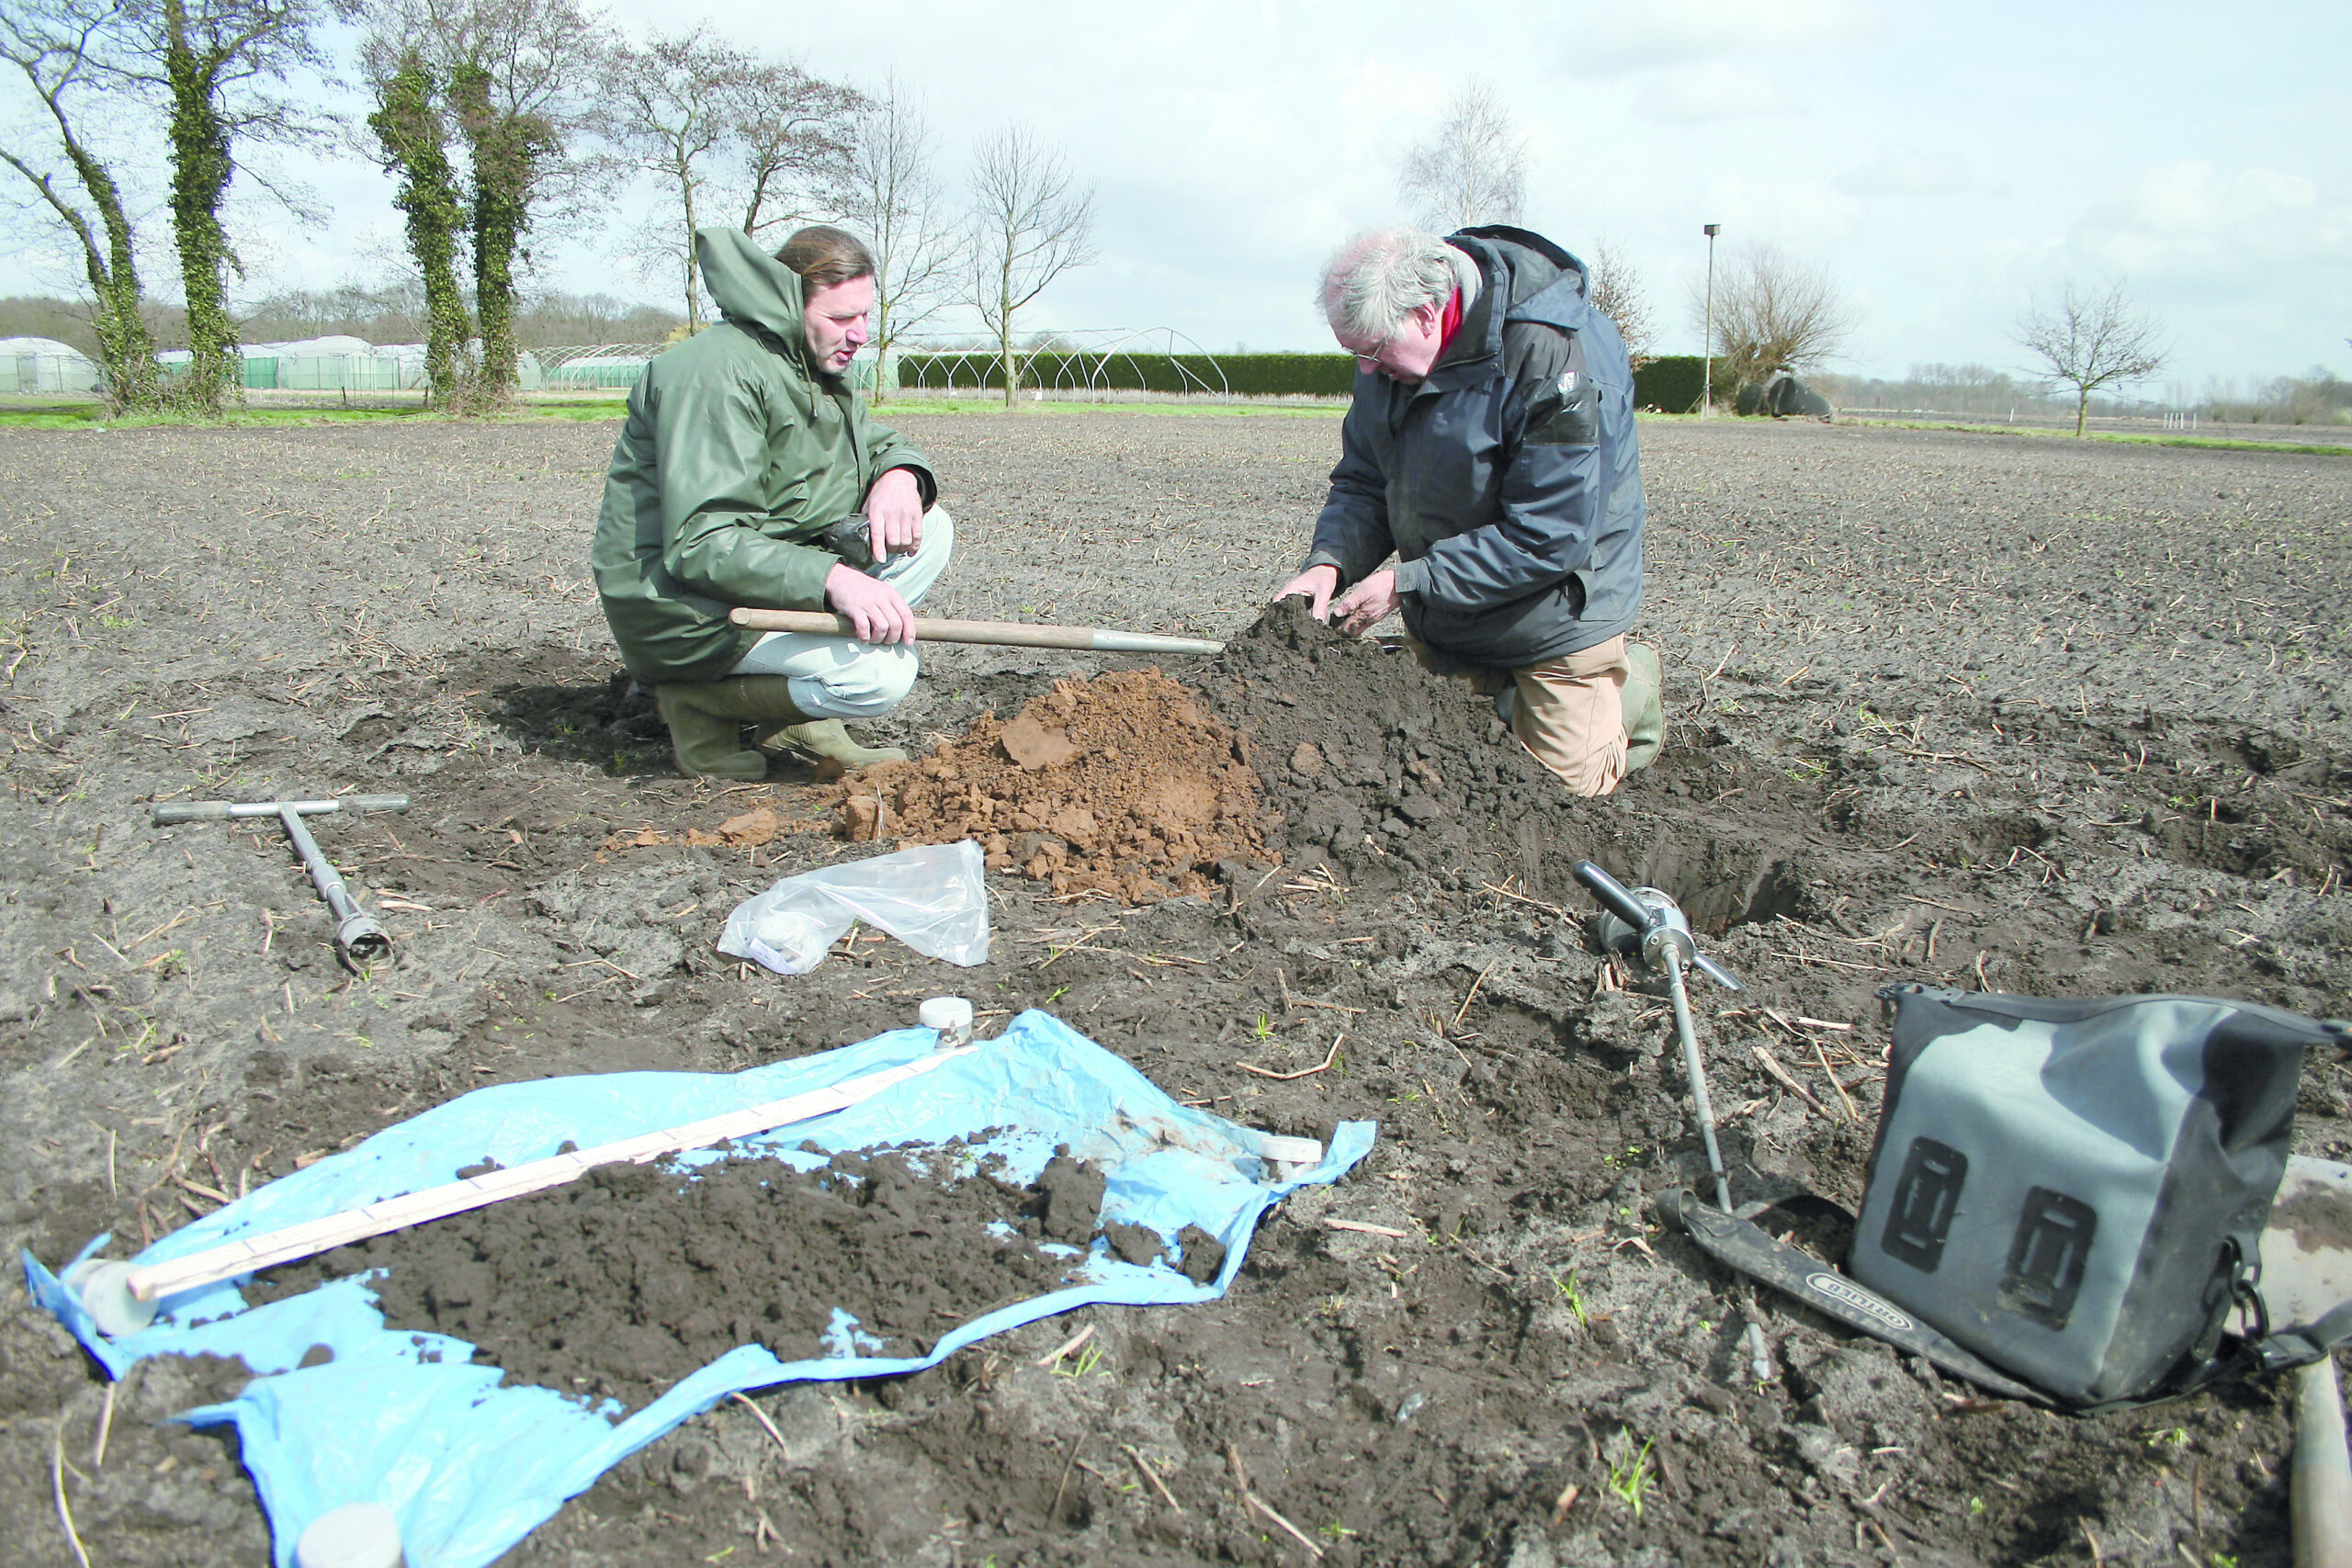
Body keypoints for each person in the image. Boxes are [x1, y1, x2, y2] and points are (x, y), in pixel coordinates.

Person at [1272, 225, 1662, 796]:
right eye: (1354, 353)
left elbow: (1551, 534)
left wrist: (1409, 583)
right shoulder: (1390, 364)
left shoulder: (1554, 353)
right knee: (1429, 777)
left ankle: (1627, 692)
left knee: (1555, 799)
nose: (1365, 370)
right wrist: (1330, 563)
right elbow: (1363, 480)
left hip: (1557, 611)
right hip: (1451, 609)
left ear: (1429, 315)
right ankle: (1504, 688)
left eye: (1372, 352)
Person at [593, 224, 953, 781]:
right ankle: (698, 703)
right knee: (881, 677)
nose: (859, 334)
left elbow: (866, 442)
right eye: (840, 318)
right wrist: (834, 578)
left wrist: (901, 477)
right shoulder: (715, 374)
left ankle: (797, 716)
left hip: (763, 571)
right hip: (684, 605)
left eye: (864, 316)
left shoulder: (807, 362)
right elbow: (701, 543)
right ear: (788, 301)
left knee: (931, 528)